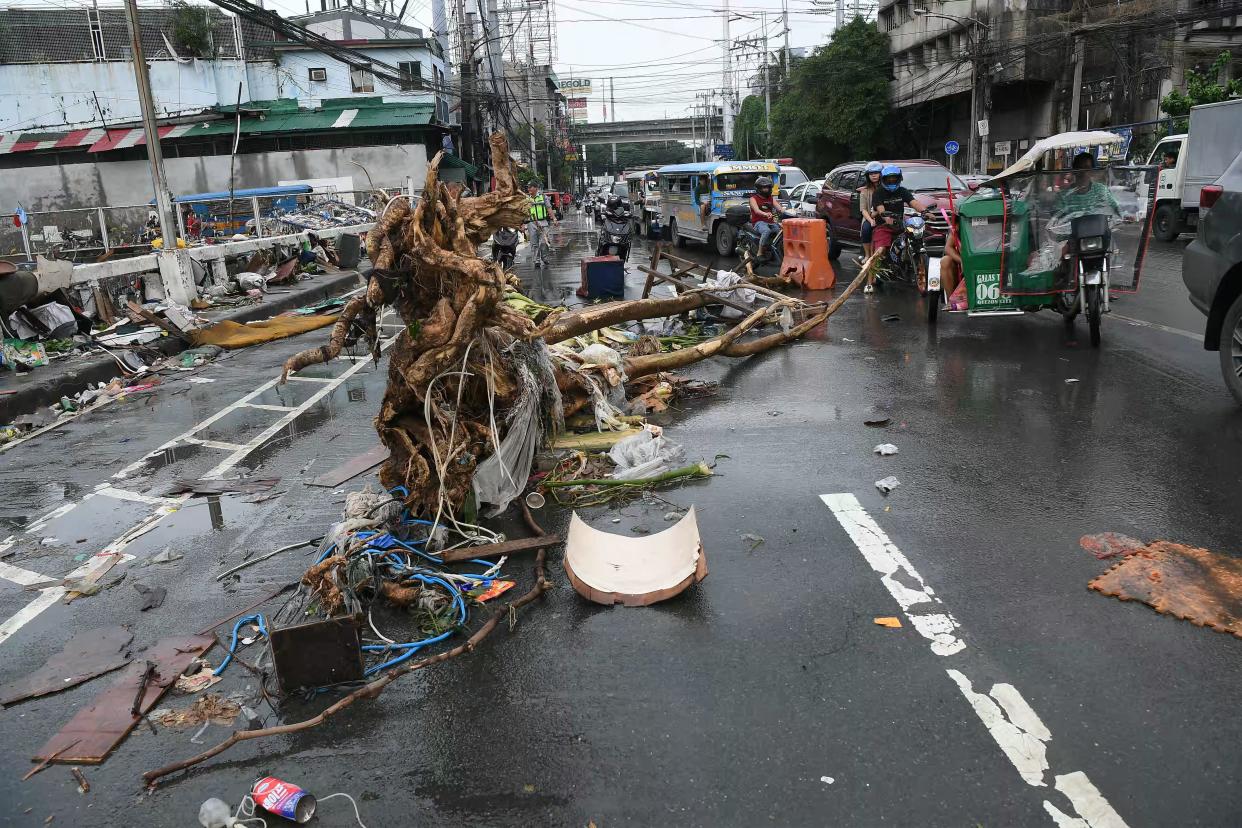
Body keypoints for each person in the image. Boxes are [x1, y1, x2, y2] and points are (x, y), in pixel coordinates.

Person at [869, 164, 934, 294]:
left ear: (899, 179)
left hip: (901, 224)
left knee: (916, 237)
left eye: (894, 179)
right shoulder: (878, 192)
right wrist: (886, 217)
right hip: (884, 226)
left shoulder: (903, 191)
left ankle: (908, 262)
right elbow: (880, 209)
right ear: (883, 179)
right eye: (889, 179)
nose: (892, 181)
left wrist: (925, 212)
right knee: (880, 251)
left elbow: (913, 203)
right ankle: (871, 280)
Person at [1054, 152, 1120, 219]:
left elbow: (1115, 206)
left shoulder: (1100, 190)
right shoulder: (1064, 195)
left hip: (1098, 228)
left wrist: (1125, 216)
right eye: (1080, 168)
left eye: (1087, 168)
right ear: (1074, 170)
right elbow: (1057, 216)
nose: (1083, 172)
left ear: (1092, 171)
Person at [748, 175, 790, 261]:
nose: (766, 190)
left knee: (781, 232)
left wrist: (790, 212)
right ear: (759, 188)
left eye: (767, 187)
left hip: (771, 222)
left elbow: (780, 208)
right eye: (764, 188)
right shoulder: (753, 198)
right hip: (758, 222)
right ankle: (760, 253)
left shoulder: (771, 198)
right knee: (766, 231)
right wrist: (765, 214)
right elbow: (756, 211)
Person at [857, 161, 883, 264]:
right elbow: (863, 209)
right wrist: (871, 220)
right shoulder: (864, 191)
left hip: (884, 216)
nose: (874, 175)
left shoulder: (886, 188)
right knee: (866, 229)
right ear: (868, 176)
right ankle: (867, 254)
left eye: (876, 173)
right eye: (871, 174)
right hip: (869, 216)